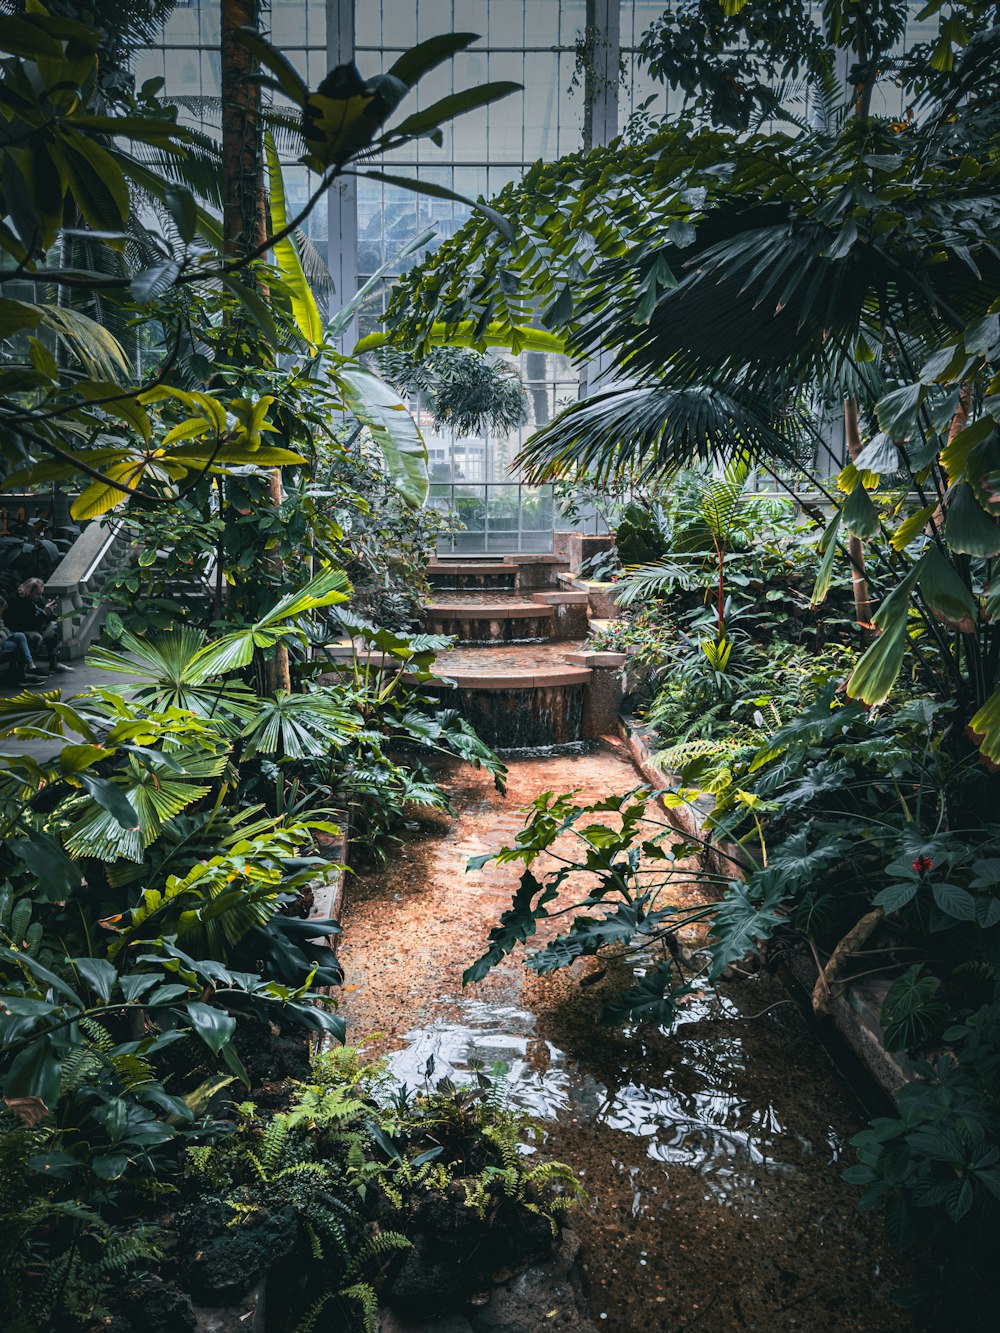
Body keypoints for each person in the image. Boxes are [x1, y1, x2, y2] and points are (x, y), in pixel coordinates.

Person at [4, 577, 73, 673]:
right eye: (37, 594)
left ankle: (54, 663)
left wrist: (49, 613)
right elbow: (27, 624)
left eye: (41, 593)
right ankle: (25, 668)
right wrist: (44, 614)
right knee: (36, 638)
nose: (40, 596)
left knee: (55, 628)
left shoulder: (35, 599)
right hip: (18, 630)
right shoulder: (16, 601)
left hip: (34, 625)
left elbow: (42, 617)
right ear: (29, 591)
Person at [0, 596, 48, 683]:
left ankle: (30, 665)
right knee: (17, 644)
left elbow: (2, 627)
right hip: (1, 640)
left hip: (4, 635)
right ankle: (23, 673)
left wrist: (7, 633)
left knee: (21, 636)